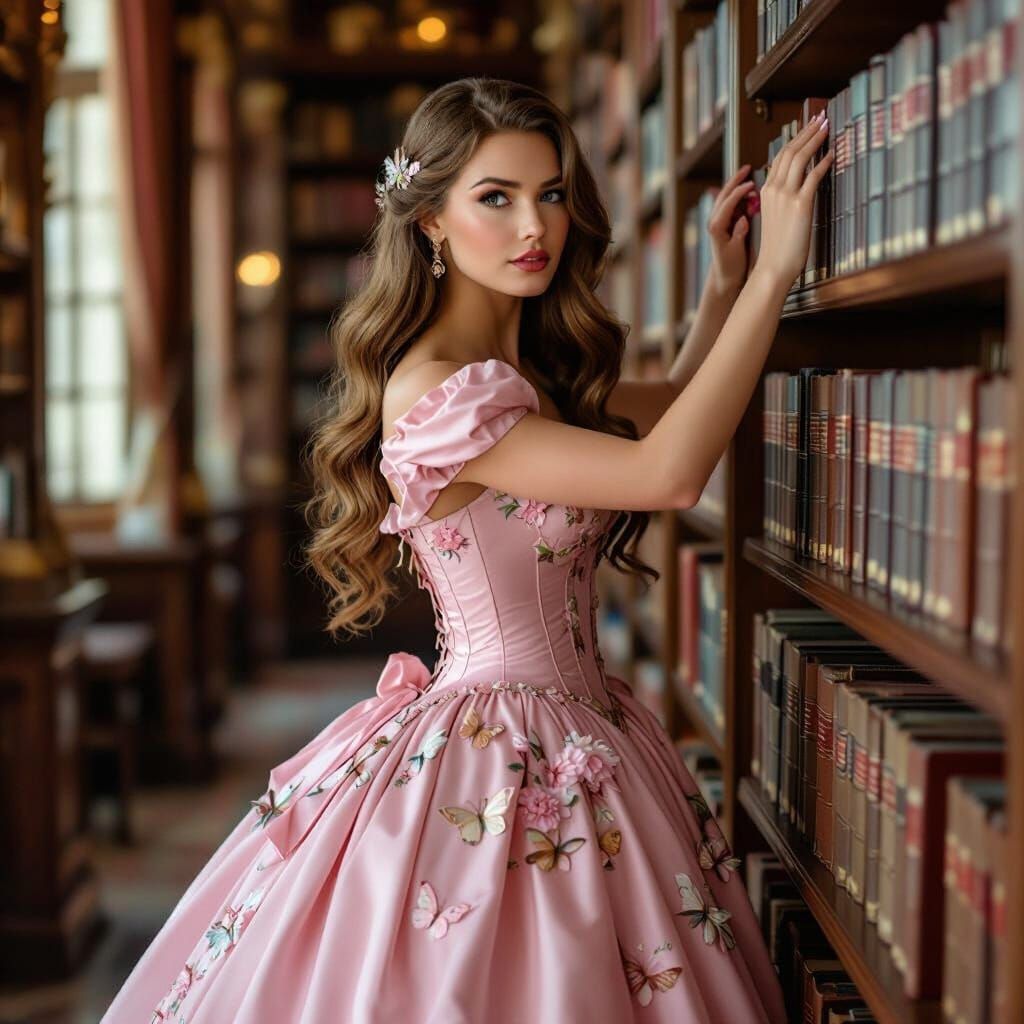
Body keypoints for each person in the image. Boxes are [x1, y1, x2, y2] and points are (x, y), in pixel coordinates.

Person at [103, 77, 830, 1023]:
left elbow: (675, 412)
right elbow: (666, 476)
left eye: (553, 193)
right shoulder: (437, 395)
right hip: (499, 753)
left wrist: (728, 284)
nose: (536, 225)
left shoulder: (524, 381)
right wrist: (778, 273)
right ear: (433, 224)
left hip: (587, 729)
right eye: (496, 197)